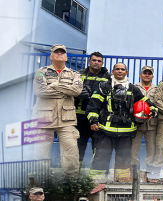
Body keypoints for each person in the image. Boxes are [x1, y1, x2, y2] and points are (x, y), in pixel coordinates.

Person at [86, 62, 154, 177]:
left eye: (122, 69)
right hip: (105, 130)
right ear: (112, 72)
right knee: (101, 157)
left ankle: (122, 183)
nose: (120, 71)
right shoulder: (104, 87)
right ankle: (97, 182)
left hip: (126, 131)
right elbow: (93, 105)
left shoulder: (133, 89)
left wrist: (153, 111)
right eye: (117, 69)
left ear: (126, 72)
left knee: (124, 160)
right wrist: (93, 120)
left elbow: (147, 102)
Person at [32, 44, 83, 176]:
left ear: (66, 57)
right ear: (51, 56)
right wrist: (65, 91)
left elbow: (77, 91)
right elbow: (40, 90)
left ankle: (72, 181)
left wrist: (56, 85)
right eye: (56, 52)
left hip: (67, 119)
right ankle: (42, 179)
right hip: (44, 118)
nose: (59, 54)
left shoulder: (74, 74)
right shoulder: (41, 72)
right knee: (40, 152)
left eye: (62, 52)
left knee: (71, 151)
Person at [75, 52, 108, 162]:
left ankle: (95, 173)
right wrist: (77, 94)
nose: (96, 63)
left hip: (99, 118)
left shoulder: (108, 77)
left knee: (98, 147)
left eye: (99, 61)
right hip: (80, 117)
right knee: (79, 145)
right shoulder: (79, 75)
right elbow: (70, 91)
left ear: (102, 63)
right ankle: (76, 172)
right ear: (89, 61)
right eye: (94, 60)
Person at [132, 65, 160, 171]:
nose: (147, 75)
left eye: (149, 74)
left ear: (152, 76)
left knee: (152, 149)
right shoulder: (134, 87)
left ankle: (149, 171)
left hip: (151, 123)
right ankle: (134, 171)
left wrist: (154, 113)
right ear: (140, 75)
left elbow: (157, 104)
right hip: (137, 123)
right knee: (134, 148)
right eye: (145, 73)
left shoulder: (157, 89)